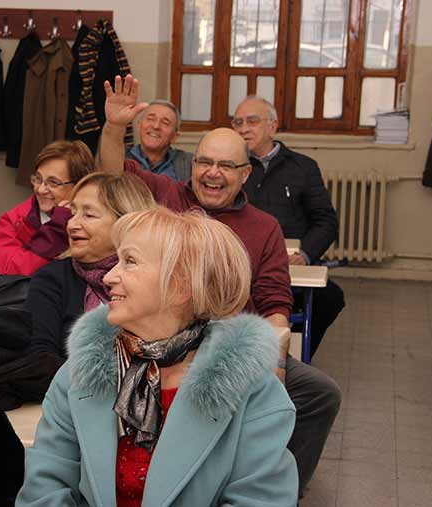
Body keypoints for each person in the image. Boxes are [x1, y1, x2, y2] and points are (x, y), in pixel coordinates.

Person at [97, 74, 341, 495]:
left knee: (322, 393)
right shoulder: (167, 198)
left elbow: (275, 302)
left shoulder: (264, 227)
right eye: (204, 162)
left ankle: (278, 488)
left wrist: (276, 364)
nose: (212, 173)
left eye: (226, 165)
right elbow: (113, 173)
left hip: (232, 346)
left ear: (245, 174)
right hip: (161, 339)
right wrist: (116, 126)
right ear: (192, 167)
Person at [16, 207, 299, 506]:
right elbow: (45, 486)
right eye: (117, 260)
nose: (110, 276)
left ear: (180, 286)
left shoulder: (251, 389)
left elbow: (261, 500)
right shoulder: (81, 372)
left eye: (130, 261)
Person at [0, 172, 156, 410]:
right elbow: (39, 357)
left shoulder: (156, 280)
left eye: (89, 215)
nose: (72, 224)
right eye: (73, 213)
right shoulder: (53, 278)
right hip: (74, 406)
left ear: (126, 222)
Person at [235, 95, 345, 358]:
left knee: (330, 298)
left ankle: (293, 359)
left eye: (252, 121)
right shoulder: (230, 167)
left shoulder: (303, 167)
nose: (243, 129)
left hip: (288, 263)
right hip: (239, 262)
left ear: (272, 127)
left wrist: (305, 255)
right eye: (237, 123)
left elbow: (325, 221)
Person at [0, 140, 95, 276]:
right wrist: (55, 231)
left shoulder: (97, 220)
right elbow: (9, 273)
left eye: (53, 183)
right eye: (38, 179)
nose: (41, 189)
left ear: (79, 184)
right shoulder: (14, 220)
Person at [119, 99, 193, 181]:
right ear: (139, 125)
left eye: (165, 123)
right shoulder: (121, 157)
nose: (156, 126)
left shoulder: (188, 163)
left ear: (174, 137)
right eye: (151, 119)